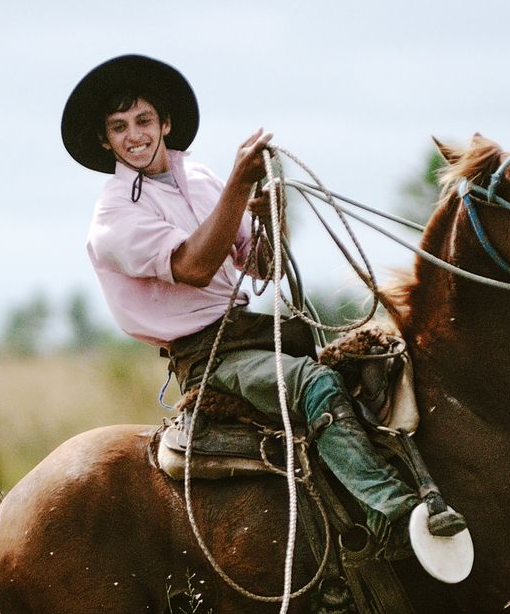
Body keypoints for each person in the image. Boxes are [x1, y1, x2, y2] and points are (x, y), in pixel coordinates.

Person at [59, 53, 466, 550]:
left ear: (165, 123)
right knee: (312, 385)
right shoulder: (114, 218)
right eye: (119, 127)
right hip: (209, 356)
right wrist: (239, 186)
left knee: (378, 363)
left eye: (143, 120)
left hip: (248, 330)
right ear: (106, 141)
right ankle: (394, 516)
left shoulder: (205, 181)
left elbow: (263, 267)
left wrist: (272, 216)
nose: (134, 135)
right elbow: (193, 267)